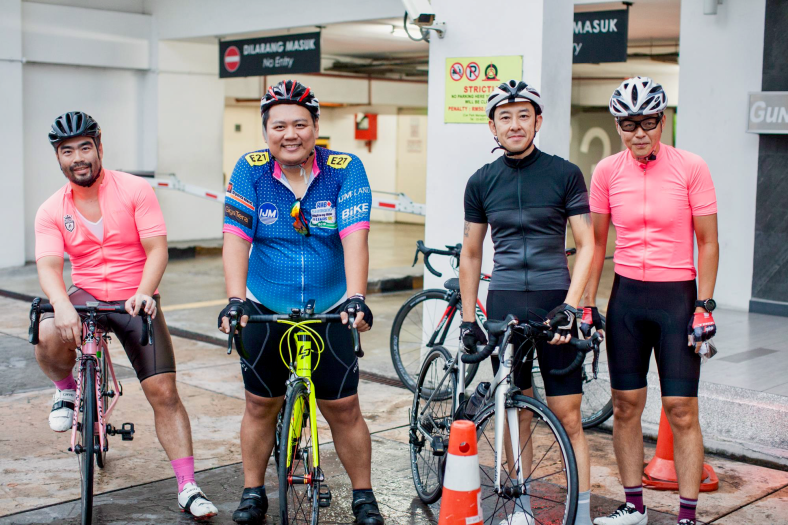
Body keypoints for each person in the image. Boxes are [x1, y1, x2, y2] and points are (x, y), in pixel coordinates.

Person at [34, 111, 217, 520]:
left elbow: (157, 249)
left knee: (164, 393)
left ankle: (188, 486)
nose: (78, 158)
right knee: (44, 330)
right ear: (58, 158)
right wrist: (61, 304)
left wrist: (144, 292)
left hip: (134, 296)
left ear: (99, 148)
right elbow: (49, 265)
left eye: (85, 148)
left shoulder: (134, 189)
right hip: (85, 294)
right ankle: (66, 389)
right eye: (68, 151)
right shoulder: (50, 209)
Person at [218, 79, 382, 525]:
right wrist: (235, 300)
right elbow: (236, 238)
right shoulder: (250, 169)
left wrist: (356, 297)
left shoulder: (345, 168)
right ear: (266, 131)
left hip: (330, 305)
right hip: (266, 304)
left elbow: (355, 237)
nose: (290, 134)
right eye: (279, 126)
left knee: (344, 408)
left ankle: (364, 496)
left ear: (315, 127)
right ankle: (253, 492)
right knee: (259, 404)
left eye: (300, 124)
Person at [459, 79, 597, 525]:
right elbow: (471, 253)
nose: (515, 124)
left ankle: (581, 513)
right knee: (513, 405)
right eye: (505, 117)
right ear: (493, 126)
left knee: (567, 414)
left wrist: (571, 307)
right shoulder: (481, 181)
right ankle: (520, 508)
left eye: (524, 115)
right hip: (504, 305)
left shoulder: (565, 174)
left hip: (554, 299)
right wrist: (468, 318)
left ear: (538, 121)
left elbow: (588, 244)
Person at [584, 77, 719, 525]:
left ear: (662, 121)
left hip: (676, 298)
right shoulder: (606, 171)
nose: (638, 133)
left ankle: (687, 516)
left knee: (682, 410)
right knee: (625, 405)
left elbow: (708, 241)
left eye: (647, 122)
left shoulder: (691, 167)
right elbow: (595, 244)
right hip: (626, 299)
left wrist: (704, 305)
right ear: (618, 125)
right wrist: (587, 303)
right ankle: (634, 506)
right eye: (628, 124)